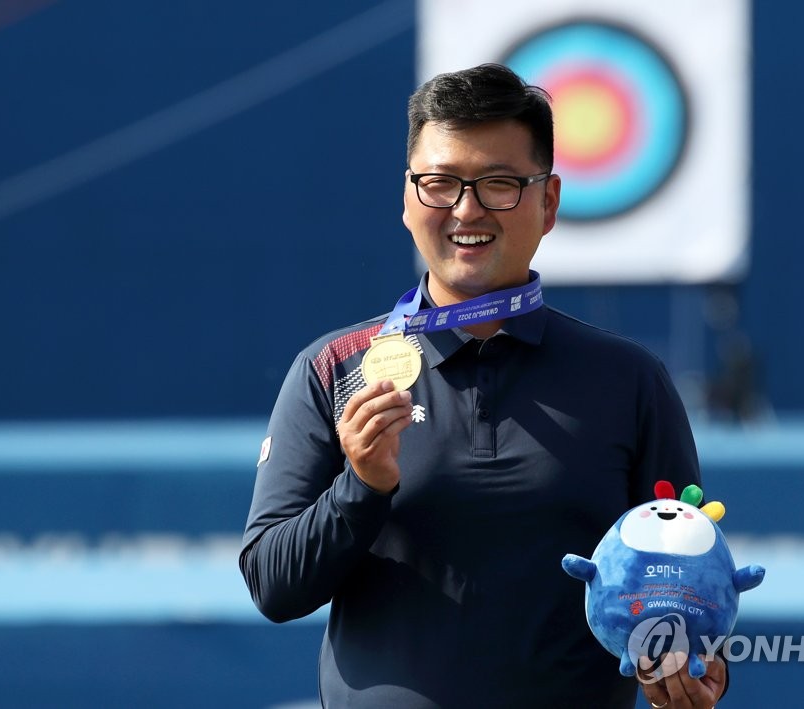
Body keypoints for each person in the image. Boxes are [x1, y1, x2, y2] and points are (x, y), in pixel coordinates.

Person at [240, 63, 727, 708]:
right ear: (408, 199)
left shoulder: (628, 380)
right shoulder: (334, 368)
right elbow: (274, 587)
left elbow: (680, 575)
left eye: (499, 184)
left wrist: (692, 662)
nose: (466, 210)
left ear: (549, 201)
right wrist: (363, 486)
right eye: (439, 184)